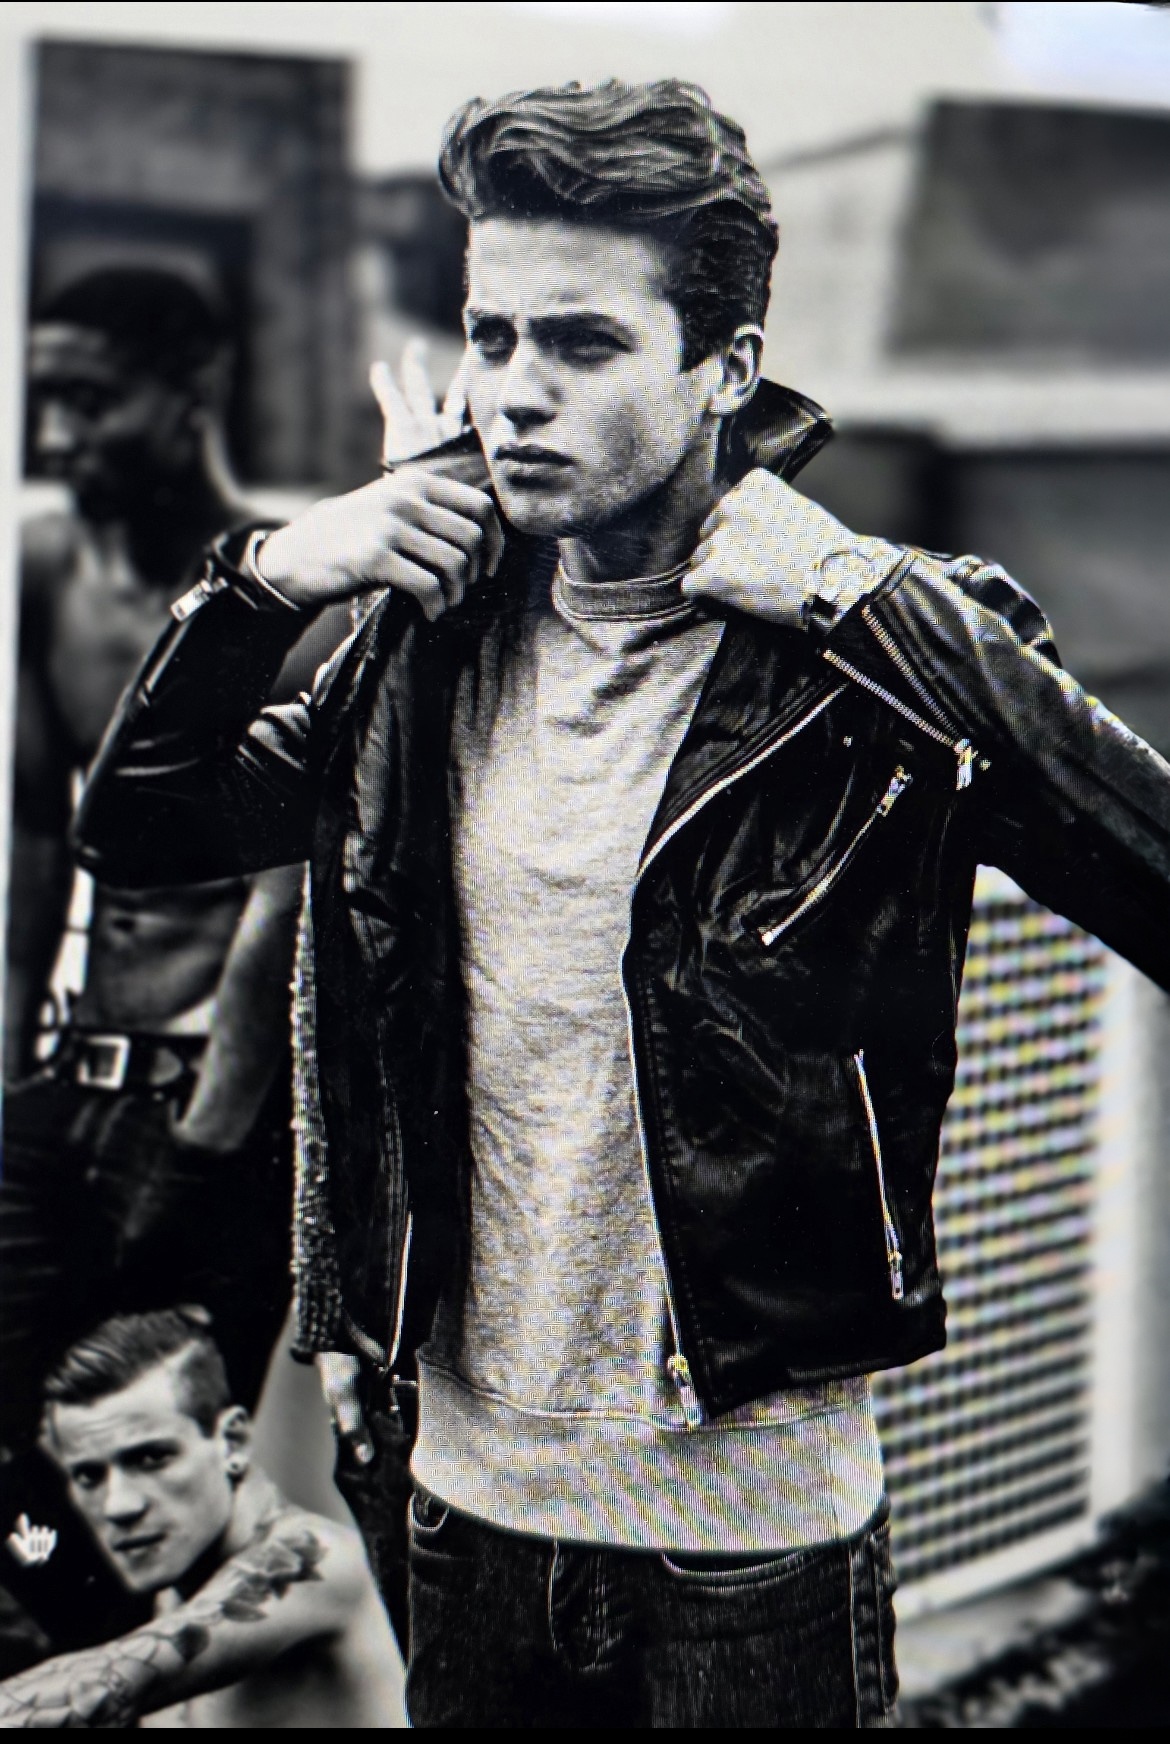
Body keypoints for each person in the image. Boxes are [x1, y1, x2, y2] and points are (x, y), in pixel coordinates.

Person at [71, 79, 1170, 1729]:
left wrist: (858, 592)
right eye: (491, 336)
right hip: (466, 1508)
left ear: (726, 367)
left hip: (750, 1532)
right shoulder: (415, 642)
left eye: (580, 345)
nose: (515, 393)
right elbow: (144, 825)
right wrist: (275, 573)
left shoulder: (874, 652)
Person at [0, 266, 334, 1448]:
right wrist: (10, 1092)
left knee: (177, 1453)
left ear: (194, 391)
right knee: (28, 1447)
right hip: (67, 1089)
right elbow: (40, 840)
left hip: (211, 1116)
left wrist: (202, 1142)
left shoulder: (293, 595)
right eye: (43, 400)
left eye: (90, 401)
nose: (55, 435)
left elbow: (278, 903)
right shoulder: (47, 574)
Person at [0, 1308, 400, 1728]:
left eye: (152, 1458)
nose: (118, 1506)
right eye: (88, 1475)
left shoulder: (314, 1563)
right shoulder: (174, 1593)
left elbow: (95, 1690)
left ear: (232, 1442)